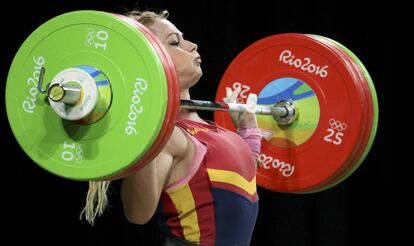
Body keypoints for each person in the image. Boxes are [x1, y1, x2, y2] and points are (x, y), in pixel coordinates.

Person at [81, 9, 264, 246]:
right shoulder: (168, 136)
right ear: (150, 59)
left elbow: (239, 185)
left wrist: (248, 131)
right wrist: (147, 126)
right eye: (175, 42)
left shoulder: (209, 130)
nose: (192, 45)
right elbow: (138, 213)